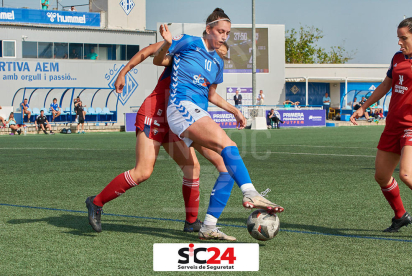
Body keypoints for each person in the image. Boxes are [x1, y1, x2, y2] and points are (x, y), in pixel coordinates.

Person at [85, 36, 234, 237]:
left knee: (192, 168)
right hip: (153, 114)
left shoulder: (209, 69)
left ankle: (191, 222)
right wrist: (123, 72)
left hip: (177, 120)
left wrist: (234, 111)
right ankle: (96, 202)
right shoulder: (186, 51)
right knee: (143, 172)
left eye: (221, 55)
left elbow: (209, 97)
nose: (218, 56)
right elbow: (149, 51)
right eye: (217, 50)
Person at [156, 8, 283, 241]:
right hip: (180, 107)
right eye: (220, 31)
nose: (224, 36)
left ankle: (208, 227)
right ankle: (250, 192)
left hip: (197, 113)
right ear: (208, 29)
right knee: (228, 143)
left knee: (226, 168)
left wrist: (234, 110)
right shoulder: (187, 42)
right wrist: (166, 44)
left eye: (227, 33)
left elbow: (212, 95)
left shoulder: (217, 61)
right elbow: (158, 60)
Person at [350, 17, 412, 233]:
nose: (399, 42)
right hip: (393, 125)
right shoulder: (397, 58)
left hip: (411, 127)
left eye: (403, 38)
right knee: (381, 175)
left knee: (406, 174)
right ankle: (400, 215)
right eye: (398, 38)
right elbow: (386, 84)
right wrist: (363, 107)